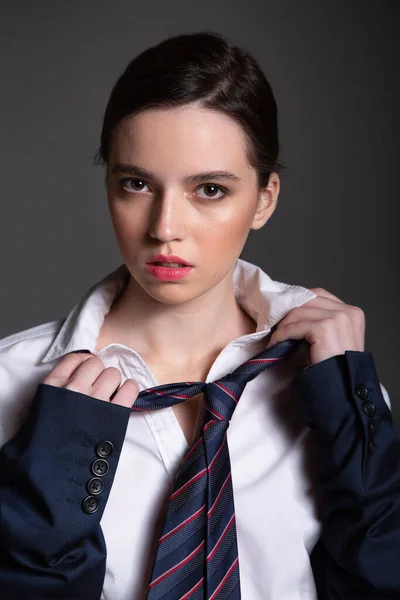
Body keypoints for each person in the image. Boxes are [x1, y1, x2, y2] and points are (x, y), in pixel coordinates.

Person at [0, 30, 399, 600]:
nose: (165, 228)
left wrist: (356, 421)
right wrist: (45, 505)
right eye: (136, 184)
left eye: (209, 190)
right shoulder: (11, 384)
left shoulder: (330, 384)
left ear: (264, 199)